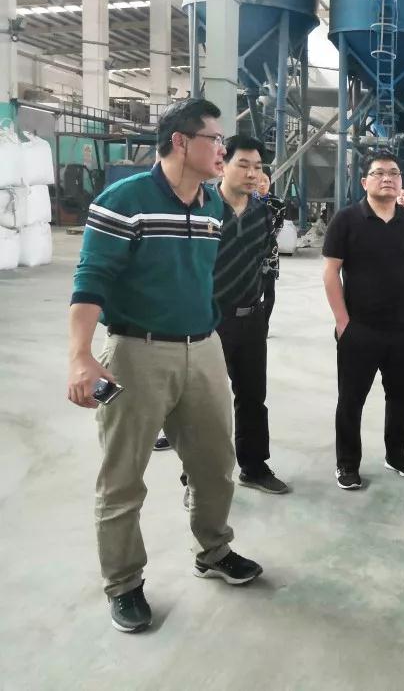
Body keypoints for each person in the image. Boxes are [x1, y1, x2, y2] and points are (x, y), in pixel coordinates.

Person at [67, 98, 263, 635]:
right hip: (137, 352)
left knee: (215, 465)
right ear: (181, 141)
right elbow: (90, 280)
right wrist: (81, 355)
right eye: (215, 140)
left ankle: (213, 551)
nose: (222, 149)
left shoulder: (210, 203)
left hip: (204, 348)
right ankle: (124, 583)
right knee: (123, 477)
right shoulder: (123, 201)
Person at [322, 151, 404, 490]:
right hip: (360, 329)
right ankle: (347, 463)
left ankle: (397, 455)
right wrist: (343, 322)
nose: (387, 178)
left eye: (394, 173)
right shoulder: (346, 220)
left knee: (402, 397)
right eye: (378, 173)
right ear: (364, 182)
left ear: (401, 182)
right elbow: (330, 273)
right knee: (351, 400)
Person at [212, 137, 289, 494]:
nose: (252, 173)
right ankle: (198, 477)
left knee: (253, 395)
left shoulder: (264, 213)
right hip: (209, 319)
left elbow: (263, 260)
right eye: (243, 165)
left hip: (251, 317)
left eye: (257, 167)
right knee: (206, 402)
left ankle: (254, 467)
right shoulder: (203, 208)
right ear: (222, 166)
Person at [254, 170, 286, 331]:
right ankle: (252, 323)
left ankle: (264, 324)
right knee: (253, 291)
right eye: (258, 180)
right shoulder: (247, 200)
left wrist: (268, 240)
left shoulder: (278, 203)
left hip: (270, 252)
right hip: (250, 252)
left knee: (269, 290)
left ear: (270, 182)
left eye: (265, 181)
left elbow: (279, 226)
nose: (261, 184)